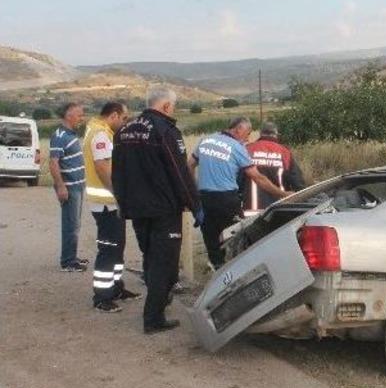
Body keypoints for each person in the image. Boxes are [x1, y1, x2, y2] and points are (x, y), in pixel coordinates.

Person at [112, 87, 201, 334]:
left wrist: (123, 204)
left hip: (137, 209)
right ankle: (153, 318)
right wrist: (195, 205)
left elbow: (117, 172)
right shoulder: (165, 130)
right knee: (165, 262)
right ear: (165, 106)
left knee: (151, 255)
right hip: (163, 208)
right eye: (173, 106)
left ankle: (159, 302)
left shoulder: (124, 131)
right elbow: (179, 171)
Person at [189, 117, 290, 269]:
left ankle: (217, 270)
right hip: (227, 200)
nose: (248, 138)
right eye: (247, 133)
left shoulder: (205, 140)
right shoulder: (237, 148)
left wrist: (194, 189)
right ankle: (235, 274)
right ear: (238, 129)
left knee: (211, 240)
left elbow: (189, 166)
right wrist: (283, 194)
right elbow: (258, 178)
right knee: (236, 238)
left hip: (204, 199)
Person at [83, 101, 139, 313]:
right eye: (124, 118)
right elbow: (102, 166)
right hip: (107, 203)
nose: (125, 123)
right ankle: (102, 296)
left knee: (117, 247)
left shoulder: (96, 128)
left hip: (108, 203)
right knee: (108, 249)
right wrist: (117, 192)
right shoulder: (101, 135)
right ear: (114, 115)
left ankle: (116, 287)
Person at [49, 102, 88, 272]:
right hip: (70, 186)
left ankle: (71, 256)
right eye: (79, 115)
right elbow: (53, 163)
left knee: (75, 224)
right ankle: (68, 262)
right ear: (68, 115)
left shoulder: (70, 134)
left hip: (77, 185)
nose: (81, 118)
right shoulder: (59, 136)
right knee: (70, 224)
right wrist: (61, 186)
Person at [243, 122, 306, 215]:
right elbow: (297, 183)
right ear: (276, 134)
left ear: (260, 133)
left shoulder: (246, 150)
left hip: (250, 210)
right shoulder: (285, 152)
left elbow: (237, 178)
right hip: (277, 210)